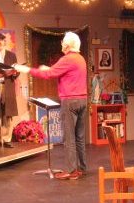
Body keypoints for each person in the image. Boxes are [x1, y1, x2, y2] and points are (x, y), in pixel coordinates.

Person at [14, 31, 87, 180]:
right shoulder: (80, 58)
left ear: (67, 45)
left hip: (70, 101)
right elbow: (60, 72)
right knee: (79, 137)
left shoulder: (67, 59)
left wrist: (27, 70)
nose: (61, 45)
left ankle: (71, 170)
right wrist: (49, 69)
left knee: (69, 138)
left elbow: (49, 75)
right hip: (82, 100)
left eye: (62, 43)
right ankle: (81, 168)